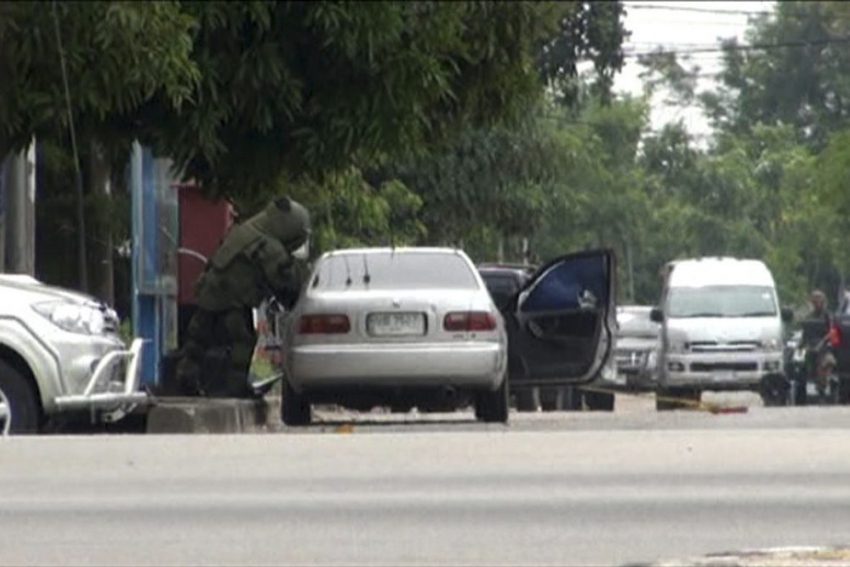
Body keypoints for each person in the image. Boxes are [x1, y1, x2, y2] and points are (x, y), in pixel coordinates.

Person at [174, 196, 311, 398]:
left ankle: (185, 378)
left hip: (208, 293)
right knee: (242, 343)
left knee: (197, 341)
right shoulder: (268, 244)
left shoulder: (243, 230)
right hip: (234, 300)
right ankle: (237, 390)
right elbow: (286, 283)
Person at [804, 289, 837, 396]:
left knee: (827, 360)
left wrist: (823, 342)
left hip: (825, 345)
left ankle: (823, 382)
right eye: (814, 300)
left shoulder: (827, 315)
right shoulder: (810, 316)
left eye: (818, 300)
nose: (816, 302)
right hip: (812, 345)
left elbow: (831, 331)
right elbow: (806, 331)